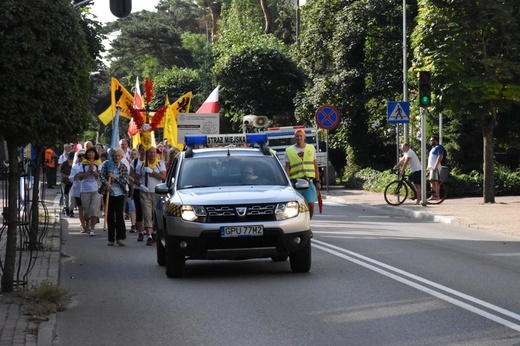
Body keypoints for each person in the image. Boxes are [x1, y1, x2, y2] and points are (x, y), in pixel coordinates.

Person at [284, 128, 321, 219]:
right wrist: (287, 183)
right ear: (295, 138)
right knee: (296, 207)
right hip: (295, 183)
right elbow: (287, 168)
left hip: (309, 182)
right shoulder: (289, 151)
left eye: (301, 136)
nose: (299, 138)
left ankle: (307, 223)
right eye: (297, 136)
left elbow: (315, 165)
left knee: (311, 205)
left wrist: (318, 181)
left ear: (305, 137)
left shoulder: (311, 148)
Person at [99, 148, 129, 246]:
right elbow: (101, 176)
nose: (117, 157)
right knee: (110, 215)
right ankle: (111, 238)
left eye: (118, 156)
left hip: (119, 193)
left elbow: (124, 180)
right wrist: (106, 183)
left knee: (120, 215)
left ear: (121, 157)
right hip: (109, 192)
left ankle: (120, 237)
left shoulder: (123, 166)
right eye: (115, 155)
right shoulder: (107, 164)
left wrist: (114, 177)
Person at [138, 146, 166, 245]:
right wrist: (140, 185)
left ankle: (155, 232)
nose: (152, 154)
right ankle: (149, 236)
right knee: (147, 215)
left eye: (154, 152)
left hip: (157, 193)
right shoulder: (141, 164)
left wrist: (152, 172)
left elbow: (163, 177)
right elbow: (135, 178)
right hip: (145, 193)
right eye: (150, 152)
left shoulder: (160, 164)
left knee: (156, 215)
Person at [76, 147, 102, 237]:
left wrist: (93, 169)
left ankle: (92, 228)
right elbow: (80, 177)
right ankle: (87, 223)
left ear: (95, 154)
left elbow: (99, 177)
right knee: (86, 211)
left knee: (94, 209)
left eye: (92, 152)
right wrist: (88, 171)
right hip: (85, 190)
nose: (90, 154)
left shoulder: (98, 164)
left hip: (96, 190)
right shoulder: (83, 164)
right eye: (89, 152)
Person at [69, 150, 87, 233]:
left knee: (88, 209)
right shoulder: (75, 167)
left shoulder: (89, 166)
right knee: (81, 208)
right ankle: (83, 226)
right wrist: (77, 175)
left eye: (84, 155)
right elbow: (71, 179)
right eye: (80, 156)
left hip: (88, 190)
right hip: (78, 190)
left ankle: (88, 223)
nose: (82, 157)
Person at [427, 135, 446, 201]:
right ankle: (433, 195)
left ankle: (437, 196)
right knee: (432, 181)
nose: (430, 141)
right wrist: (428, 168)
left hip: (436, 167)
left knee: (436, 182)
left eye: (431, 140)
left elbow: (439, 156)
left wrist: (435, 166)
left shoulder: (439, 147)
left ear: (435, 140)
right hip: (432, 167)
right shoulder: (433, 148)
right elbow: (431, 159)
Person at [60, 150, 75, 216]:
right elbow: (61, 172)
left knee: (72, 196)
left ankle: (71, 209)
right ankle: (66, 208)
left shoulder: (75, 164)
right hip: (65, 182)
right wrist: (67, 177)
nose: (71, 161)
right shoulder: (65, 164)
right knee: (66, 196)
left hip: (73, 182)